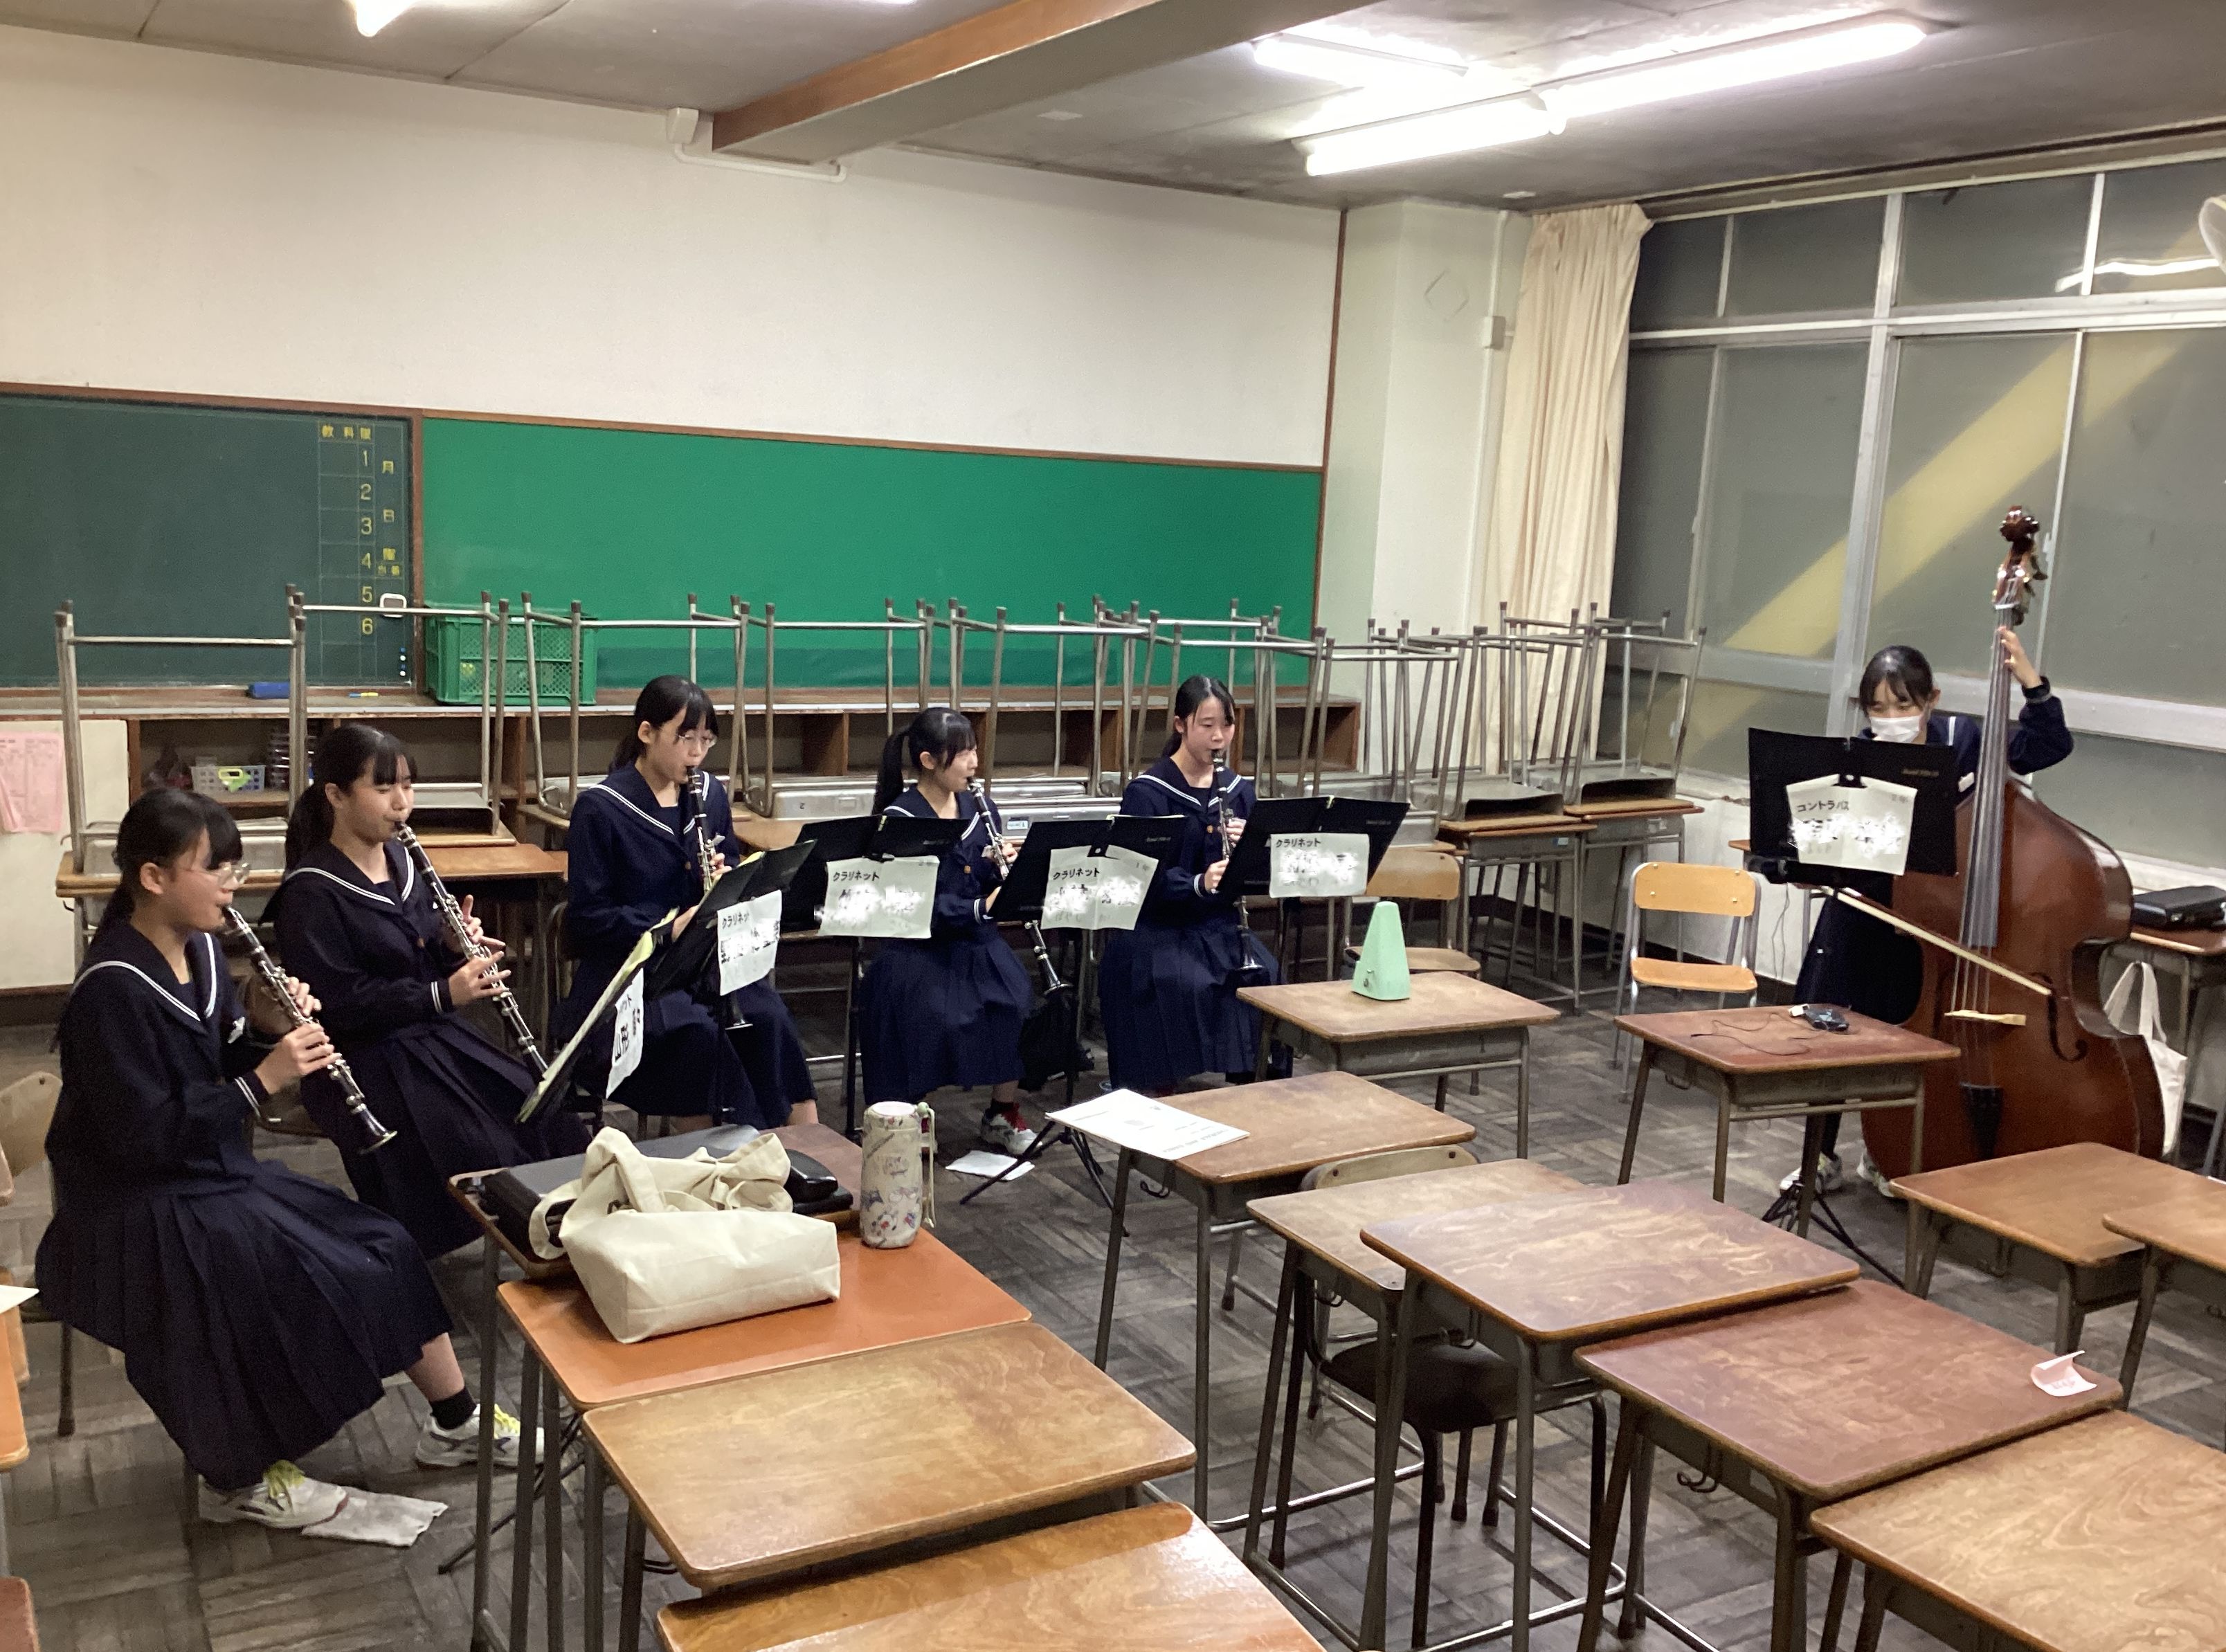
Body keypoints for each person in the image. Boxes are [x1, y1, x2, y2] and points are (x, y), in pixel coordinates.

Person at [37, 790, 524, 1530]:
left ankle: (454, 1421)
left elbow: (221, 1055)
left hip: (208, 1175)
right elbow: (143, 1137)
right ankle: (236, 1473)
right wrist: (264, 1078)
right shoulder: (110, 992)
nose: (232, 884)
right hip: (137, 1203)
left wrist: (263, 1027)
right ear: (154, 877)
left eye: (234, 868)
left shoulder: (202, 948)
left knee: (383, 1242)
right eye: (215, 868)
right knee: (289, 1278)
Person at [271, 724, 587, 1258]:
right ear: (336, 796)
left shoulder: (403, 861)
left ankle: (560, 1242)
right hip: (366, 1058)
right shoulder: (309, 892)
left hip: (431, 1036)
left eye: (408, 786)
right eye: (384, 788)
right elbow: (340, 1005)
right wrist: (442, 992)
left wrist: (449, 944)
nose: (402, 802)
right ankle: (478, 1258)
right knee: (481, 1147)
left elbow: (417, 957)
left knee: (545, 1113)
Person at [1789, 628, 2073, 1195]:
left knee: (1907, 1037)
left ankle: (1887, 1151)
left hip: (1932, 919)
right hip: (1864, 908)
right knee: (1833, 1032)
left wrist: (2030, 681)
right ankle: (1819, 1155)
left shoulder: (1963, 740)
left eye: (1903, 705)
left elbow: (2049, 745)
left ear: (1931, 701)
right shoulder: (1856, 755)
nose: (1890, 718)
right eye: (1877, 708)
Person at [557, 675, 815, 1130]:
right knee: (696, 1039)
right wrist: (666, 928)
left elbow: (728, 873)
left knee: (769, 1018)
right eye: (685, 738)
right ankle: (721, 1160)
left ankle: (807, 1157)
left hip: (702, 965)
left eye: (706, 739)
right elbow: (587, 919)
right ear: (647, 732)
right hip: (630, 978)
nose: (697, 752)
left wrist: (722, 883)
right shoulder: (600, 808)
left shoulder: (709, 795)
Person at [856, 707, 1037, 1154]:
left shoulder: (980, 806)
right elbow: (908, 902)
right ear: (929, 761)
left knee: (1015, 1000)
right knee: (926, 1013)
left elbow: (985, 880)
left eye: (974, 750)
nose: (974, 762)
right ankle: (913, 1114)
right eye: (963, 753)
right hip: (919, 944)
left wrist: (1003, 870)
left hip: (973, 939)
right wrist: (977, 906)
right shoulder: (901, 818)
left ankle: (1002, 1111)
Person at [1098, 674, 1281, 1093]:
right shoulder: (1148, 793)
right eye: (1207, 725)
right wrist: (1198, 882)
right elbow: (1135, 875)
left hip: (1219, 926)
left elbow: (1259, 870)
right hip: (1160, 926)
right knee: (1182, 984)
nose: (1219, 737)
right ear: (1180, 725)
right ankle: (1159, 1092)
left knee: (1264, 975)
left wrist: (1250, 849)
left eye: (1227, 725)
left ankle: (1251, 1090)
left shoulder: (1238, 791)